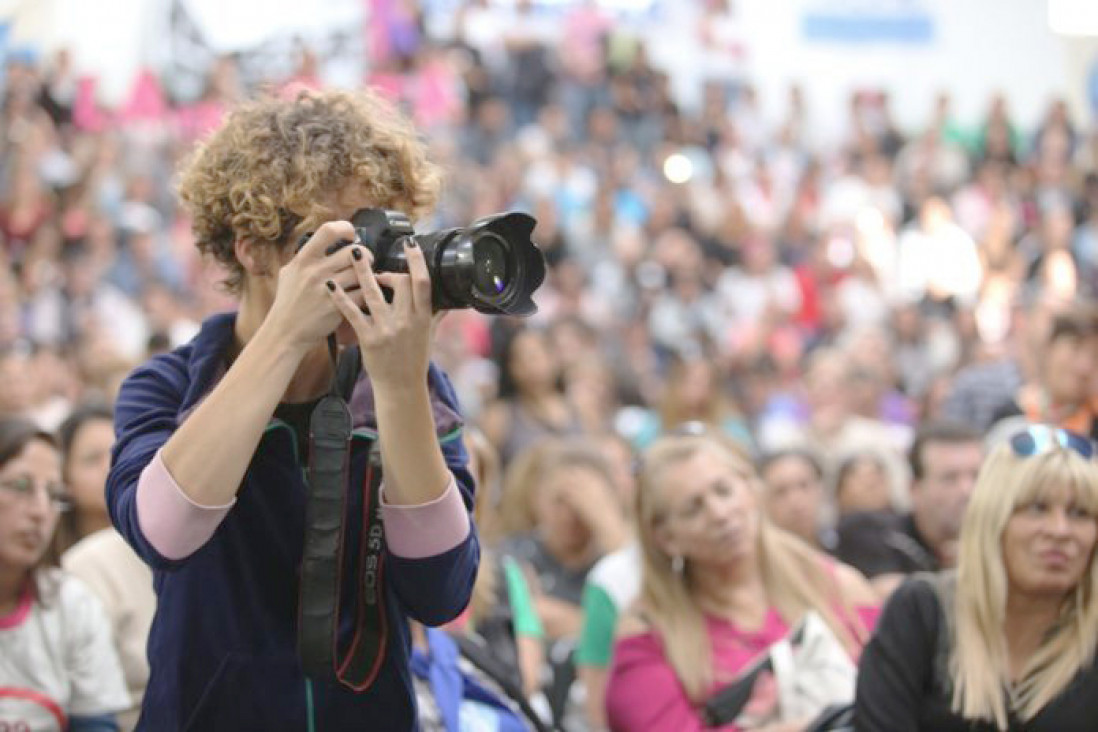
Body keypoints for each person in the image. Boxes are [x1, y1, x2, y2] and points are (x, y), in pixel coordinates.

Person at [105, 89, 480, 730]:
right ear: (252, 248)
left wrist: (398, 388)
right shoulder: (166, 387)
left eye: (382, 233)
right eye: (340, 238)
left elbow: (440, 591)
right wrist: (288, 333)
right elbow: (165, 535)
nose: (367, 264)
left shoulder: (406, 385)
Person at [605, 431, 878, 731]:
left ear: (751, 489)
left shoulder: (839, 585)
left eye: (724, 491)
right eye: (693, 508)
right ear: (666, 537)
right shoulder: (646, 635)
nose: (720, 514)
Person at [855, 425, 1098, 731]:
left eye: (1080, 513)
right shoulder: (922, 611)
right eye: (1037, 509)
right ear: (992, 518)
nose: (1060, 531)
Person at [0, 416, 130, 731]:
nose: (40, 511)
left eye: (54, 494)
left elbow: (96, 725)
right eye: (20, 486)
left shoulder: (73, 605)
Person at [59, 404, 155, 731]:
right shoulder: (71, 569)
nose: (109, 466)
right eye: (90, 459)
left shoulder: (162, 545)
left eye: (117, 450)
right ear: (63, 481)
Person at [835, 421, 983, 599]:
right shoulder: (875, 533)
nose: (967, 491)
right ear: (914, 488)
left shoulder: (1004, 539)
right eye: (950, 478)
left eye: (976, 476)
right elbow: (890, 595)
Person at [757, 448, 830, 549]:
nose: (796, 501)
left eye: (804, 485)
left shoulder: (845, 545)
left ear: (821, 489)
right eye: (781, 491)